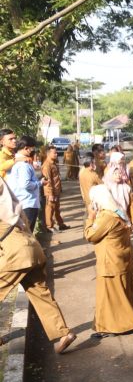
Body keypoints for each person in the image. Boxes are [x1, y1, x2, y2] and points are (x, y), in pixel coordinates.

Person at [0, 175, 76, 353]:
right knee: (41, 294)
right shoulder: (13, 209)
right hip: (33, 248)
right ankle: (64, 333)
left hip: (16, 255)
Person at [85, 185, 133, 337]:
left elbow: (90, 235)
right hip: (121, 258)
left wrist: (90, 217)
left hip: (111, 261)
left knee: (111, 297)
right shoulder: (117, 211)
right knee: (125, 293)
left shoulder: (106, 217)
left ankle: (116, 326)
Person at [8, 136, 42, 235]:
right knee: (27, 234)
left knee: (26, 232)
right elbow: (25, 184)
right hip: (27, 203)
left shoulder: (17, 161)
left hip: (23, 202)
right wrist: (39, 183)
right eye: (32, 148)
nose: (33, 151)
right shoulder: (23, 164)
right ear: (26, 148)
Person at [42, 145, 69, 232]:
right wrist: (50, 194)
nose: (56, 154)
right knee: (50, 209)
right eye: (54, 153)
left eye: (56, 153)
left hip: (56, 190)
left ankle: (60, 224)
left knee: (57, 208)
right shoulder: (47, 165)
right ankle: (49, 226)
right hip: (51, 191)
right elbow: (48, 181)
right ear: (48, 154)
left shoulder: (53, 163)